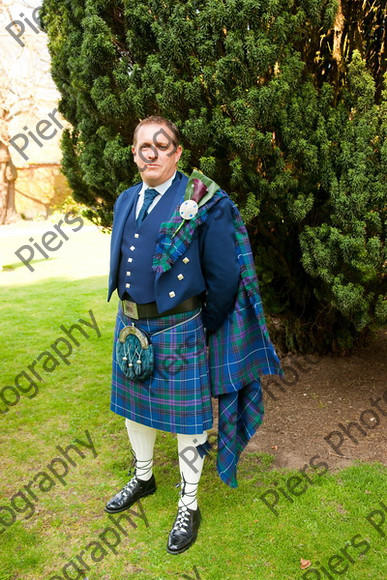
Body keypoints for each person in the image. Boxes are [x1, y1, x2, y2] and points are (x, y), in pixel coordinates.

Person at [105, 116, 282, 554]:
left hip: (180, 327)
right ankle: (143, 477)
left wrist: (200, 328)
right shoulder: (127, 198)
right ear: (134, 152)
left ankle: (189, 501)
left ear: (177, 153)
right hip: (130, 325)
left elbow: (225, 277)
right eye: (142, 145)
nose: (150, 153)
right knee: (135, 412)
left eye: (160, 145)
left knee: (190, 423)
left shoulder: (203, 202)